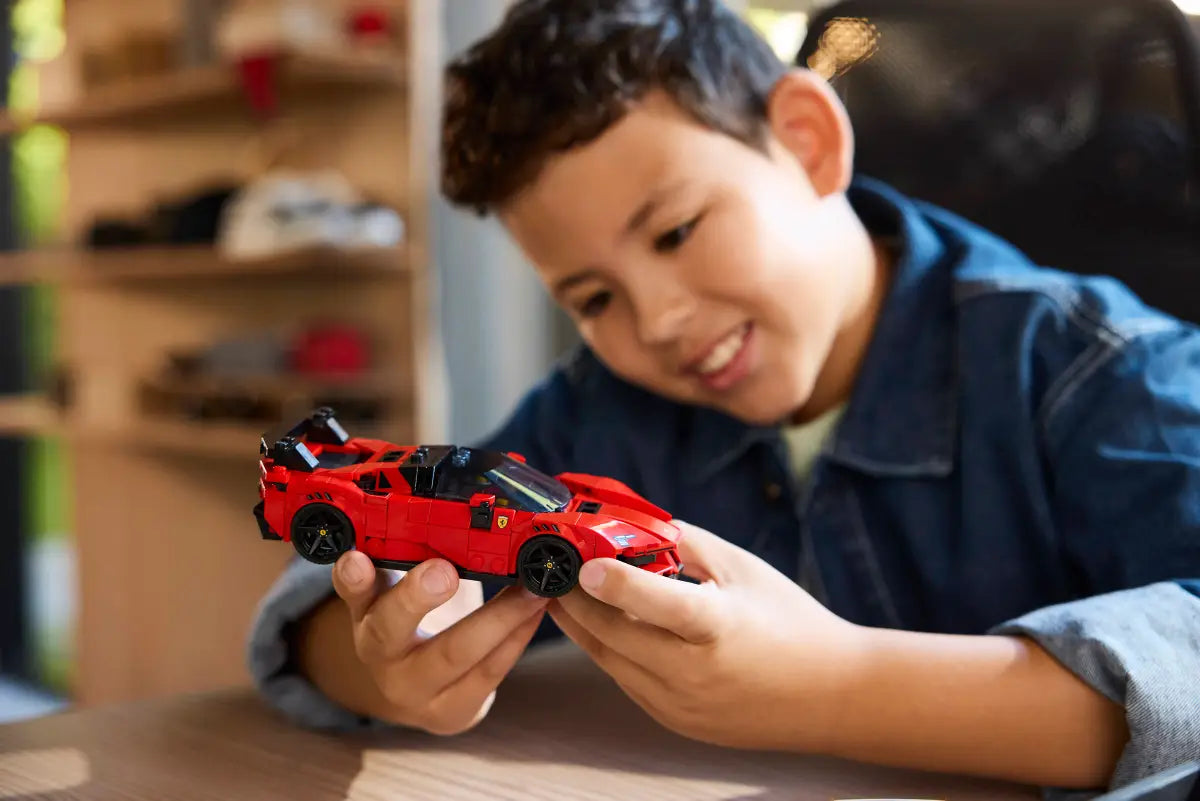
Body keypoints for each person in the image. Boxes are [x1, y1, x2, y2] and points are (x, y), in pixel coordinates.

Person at [245, 1, 1200, 797]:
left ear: (807, 140)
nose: (657, 321)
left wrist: (839, 686)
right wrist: (386, 663)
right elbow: (322, 612)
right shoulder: (607, 408)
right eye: (593, 299)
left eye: (675, 231)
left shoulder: (1107, 373)